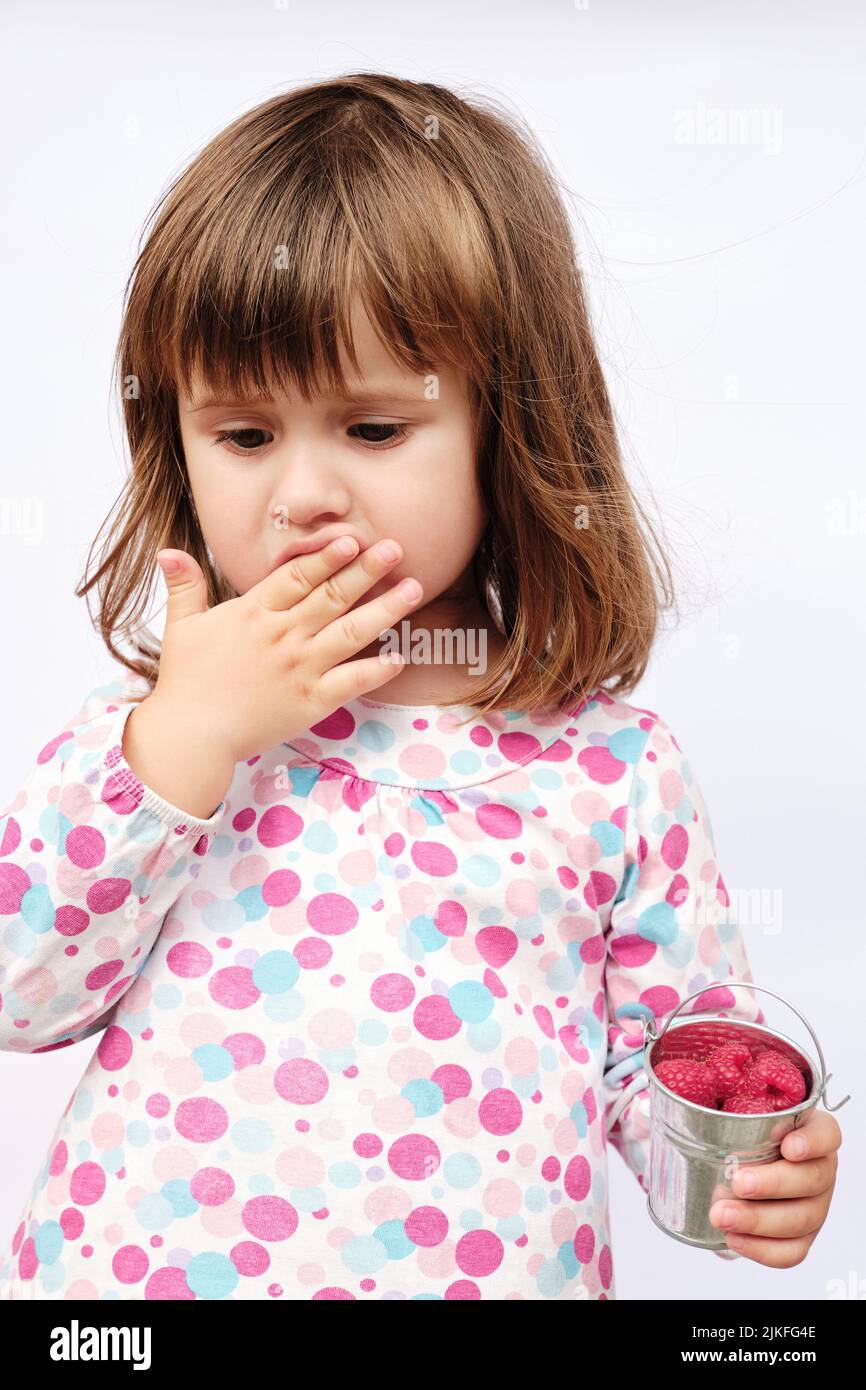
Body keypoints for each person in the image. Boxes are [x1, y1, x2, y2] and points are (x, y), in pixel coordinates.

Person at [0, 74, 840, 1300]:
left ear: (509, 433)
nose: (300, 496)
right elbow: (21, 993)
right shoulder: (157, 737)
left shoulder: (614, 772)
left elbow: (665, 1085)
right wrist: (185, 734)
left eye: (374, 429)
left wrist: (748, 1173)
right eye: (242, 436)